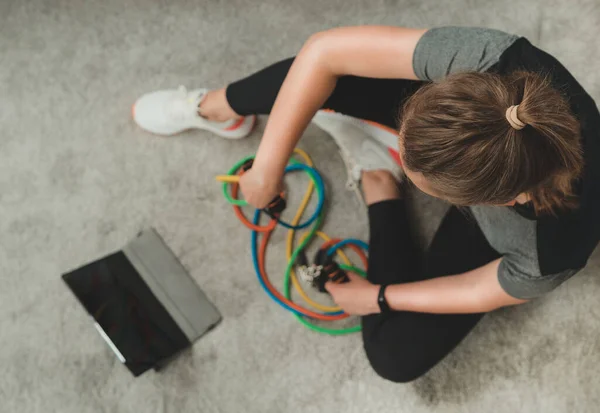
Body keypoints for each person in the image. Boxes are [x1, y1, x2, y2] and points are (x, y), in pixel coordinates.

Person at [132, 26, 600, 383]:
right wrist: (267, 167)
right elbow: (325, 52)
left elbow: (479, 290)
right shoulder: (496, 61)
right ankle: (216, 109)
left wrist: (376, 297)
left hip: (498, 226)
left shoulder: (555, 252)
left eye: (427, 182)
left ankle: (380, 180)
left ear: (496, 201)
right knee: (326, 75)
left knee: (395, 357)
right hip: (475, 145)